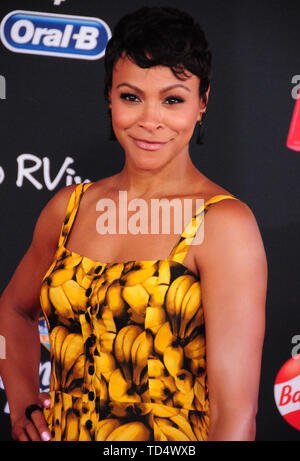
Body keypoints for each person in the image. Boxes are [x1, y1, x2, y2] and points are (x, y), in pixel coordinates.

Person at [0, 7, 267, 441]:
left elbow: (235, 419)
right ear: (109, 96)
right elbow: (12, 310)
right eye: (131, 96)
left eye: (173, 99)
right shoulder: (69, 208)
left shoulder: (222, 224)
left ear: (202, 103)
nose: (150, 120)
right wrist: (23, 406)